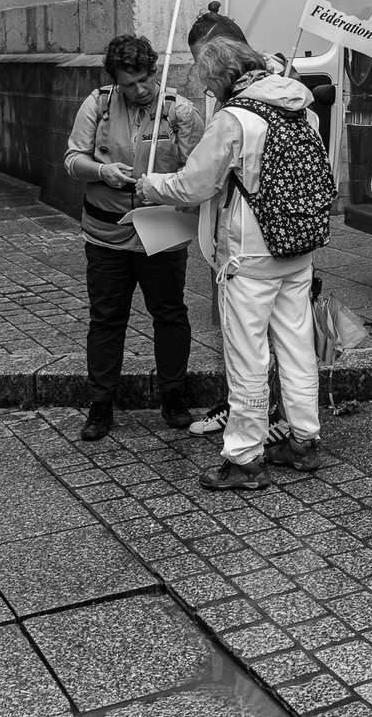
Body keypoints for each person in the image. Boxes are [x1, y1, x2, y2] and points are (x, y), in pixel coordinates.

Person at [137, 38, 328, 490]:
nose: (209, 92)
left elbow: (194, 184)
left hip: (250, 255)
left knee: (247, 358)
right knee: (297, 347)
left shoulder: (235, 118)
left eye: (209, 83)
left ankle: (244, 458)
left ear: (223, 78)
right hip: (297, 246)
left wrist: (151, 185)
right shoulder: (303, 108)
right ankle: (304, 441)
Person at [64, 35, 205, 441]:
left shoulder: (180, 111)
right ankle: (100, 404)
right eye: (129, 84)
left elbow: (199, 173)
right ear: (116, 81)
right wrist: (101, 171)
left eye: (145, 80)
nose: (140, 90)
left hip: (161, 234)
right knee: (106, 319)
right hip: (106, 234)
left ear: (155, 71)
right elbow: (73, 159)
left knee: (170, 313)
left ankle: (173, 395)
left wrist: (167, 185)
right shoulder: (98, 104)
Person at [182, 3, 294, 443]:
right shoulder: (226, 91)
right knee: (235, 331)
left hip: (262, 234)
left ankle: (260, 428)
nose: (204, 73)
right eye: (198, 62)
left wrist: (167, 186)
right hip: (228, 232)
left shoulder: (276, 84)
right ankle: (245, 409)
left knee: (263, 337)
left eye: (207, 60)